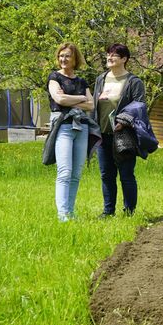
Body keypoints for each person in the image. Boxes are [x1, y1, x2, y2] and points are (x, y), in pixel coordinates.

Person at [92, 43, 148, 217]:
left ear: (124, 59)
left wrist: (123, 122)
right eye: (108, 53)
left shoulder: (133, 82)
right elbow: (94, 104)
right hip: (102, 134)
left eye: (114, 55)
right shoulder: (101, 79)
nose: (109, 57)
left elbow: (139, 106)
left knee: (126, 174)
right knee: (106, 174)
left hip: (123, 134)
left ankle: (129, 211)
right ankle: (108, 211)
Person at [46, 42, 95, 222]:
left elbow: (91, 105)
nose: (63, 59)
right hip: (64, 126)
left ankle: (70, 212)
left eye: (67, 56)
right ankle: (62, 215)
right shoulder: (54, 77)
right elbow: (59, 99)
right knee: (65, 171)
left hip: (81, 126)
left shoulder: (81, 81)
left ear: (75, 59)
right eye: (61, 56)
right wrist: (81, 98)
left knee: (76, 174)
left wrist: (70, 100)